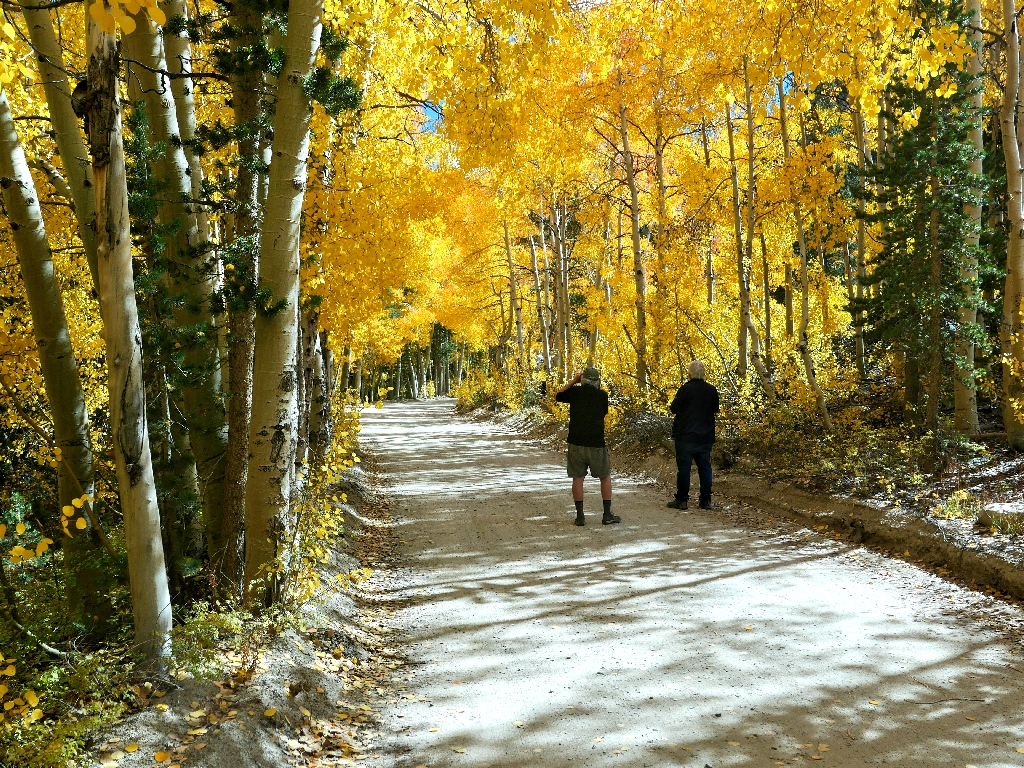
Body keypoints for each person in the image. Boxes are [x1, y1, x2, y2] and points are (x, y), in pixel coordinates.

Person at [555, 367, 620, 526]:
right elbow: (603, 413)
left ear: (582, 380)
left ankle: (580, 516)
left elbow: (558, 395)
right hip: (596, 443)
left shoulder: (575, 392)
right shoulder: (602, 396)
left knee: (578, 478)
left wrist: (573, 381)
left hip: (576, 442)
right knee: (605, 476)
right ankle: (607, 514)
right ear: (597, 381)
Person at [667, 359, 719, 510]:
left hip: (686, 435)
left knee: (684, 468)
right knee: (705, 467)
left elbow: (674, 408)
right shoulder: (711, 390)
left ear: (689, 374)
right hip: (706, 435)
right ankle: (706, 500)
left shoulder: (685, 390)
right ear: (703, 373)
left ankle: (682, 500)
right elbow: (715, 409)